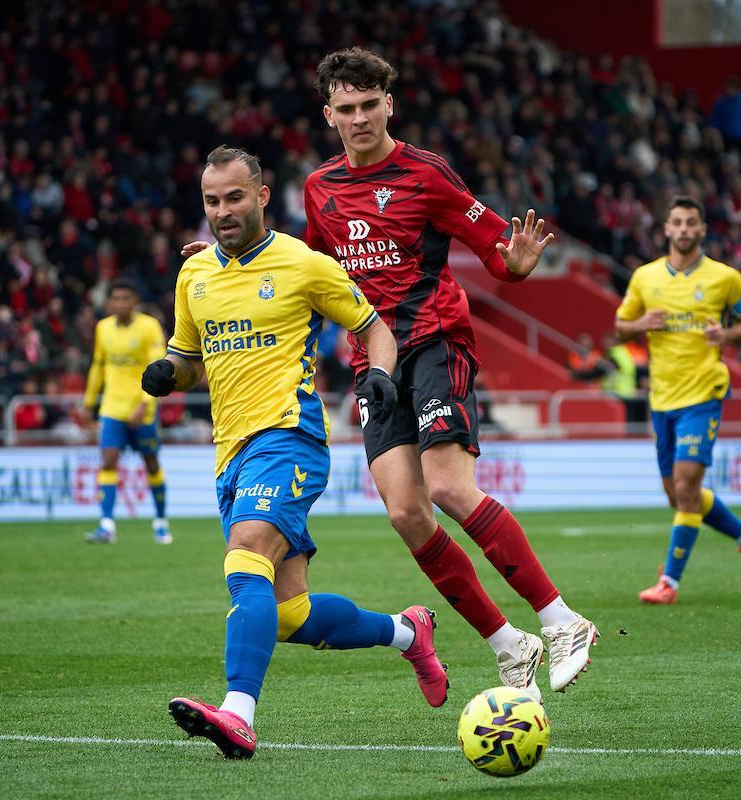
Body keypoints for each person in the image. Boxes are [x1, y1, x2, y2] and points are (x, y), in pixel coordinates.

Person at [183, 48, 599, 701]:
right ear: (328, 115)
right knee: (407, 513)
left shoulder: (426, 174)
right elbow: (306, 270)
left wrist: (515, 265)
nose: (359, 119)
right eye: (345, 108)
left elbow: (497, 250)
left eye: (369, 105)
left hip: (434, 341)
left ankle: (561, 619)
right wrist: (222, 261)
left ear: (389, 105)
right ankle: (509, 644)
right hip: (372, 364)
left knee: (448, 487)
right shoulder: (320, 189)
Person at [143, 146, 447, 760]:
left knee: (246, 556)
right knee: (288, 614)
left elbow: (374, 328)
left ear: (261, 196)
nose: (223, 211)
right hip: (230, 453)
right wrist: (169, 373)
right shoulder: (193, 275)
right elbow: (190, 359)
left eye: (234, 197)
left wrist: (380, 374)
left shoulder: (303, 264)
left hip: (289, 437)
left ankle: (238, 714)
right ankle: (406, 631)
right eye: (211, 201)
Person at [615, 195, 741, 605]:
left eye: (690, 223)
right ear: (667, 229)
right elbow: (620, 327)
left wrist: (727, 334)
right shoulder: (645, 278)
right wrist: (641, 324)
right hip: (662, 397)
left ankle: (669, 583)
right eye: (677, 222)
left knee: (685, 487)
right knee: (678, 495)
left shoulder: (724, 278)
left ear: (702, 229)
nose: (684, 229)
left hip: (704, 393)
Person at [80, 277, 171, 544]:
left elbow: (158, 367)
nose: (120, 303)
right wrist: (88, 403)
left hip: (142, 409)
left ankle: (161, 521)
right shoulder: (103, 328)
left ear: (135, 301)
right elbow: (98, 366)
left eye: (125, 298)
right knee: (108, 461)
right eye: (115, 299)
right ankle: (106, 525)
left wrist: (144, 403)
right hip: (112, 408)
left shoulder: (149, 327)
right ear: (109, 302)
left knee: (151, 463)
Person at [708, 76, 741, 156]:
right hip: (724, 136)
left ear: (737, 88)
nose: (728, 90)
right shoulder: (721, 102)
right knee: (723, 157)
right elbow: (715, 118)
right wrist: (713, 131)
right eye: (727, 87)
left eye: (731, 87)